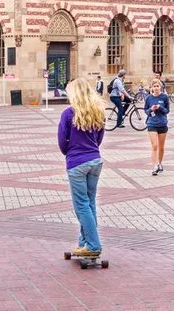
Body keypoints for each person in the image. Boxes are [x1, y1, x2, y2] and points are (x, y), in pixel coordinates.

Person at [57, 78, 106, 258]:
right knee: (90, 202)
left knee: (81, 206)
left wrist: (69, 152)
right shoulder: (98, 111)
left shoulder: (68, 113)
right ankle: (84, 242)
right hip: (95, 160)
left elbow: (62, 141)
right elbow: (99, 138)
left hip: (77, 163)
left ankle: (93, 244)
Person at [144, 79, 170, 175]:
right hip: (152, 124)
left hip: (162, 124)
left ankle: (159, 163)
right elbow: (145, 110)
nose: (156, 88)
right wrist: (151, 109)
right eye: (154, 86)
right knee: (155, 146)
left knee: (161, 147)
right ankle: (154, 166)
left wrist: (160, 107)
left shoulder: (165, 97)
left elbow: (167, 111)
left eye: (157, 86)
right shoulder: (149, 98)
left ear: (160, 87)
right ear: (151, 88)